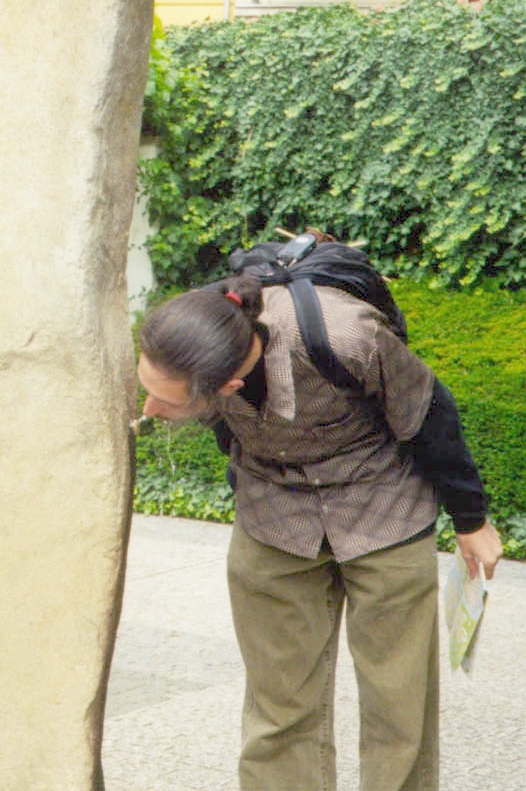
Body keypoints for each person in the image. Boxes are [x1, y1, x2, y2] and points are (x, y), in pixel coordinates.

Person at [137, 274, 502, 791]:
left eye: (165, 403)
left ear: (227, 388)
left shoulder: (345, 335)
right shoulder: (194, 341)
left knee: (398, 706)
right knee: (278, 707)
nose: (149, 410)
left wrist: (472, 520)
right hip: (274, 516)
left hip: (381, 507)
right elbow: (228, 435)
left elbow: (429, 412)